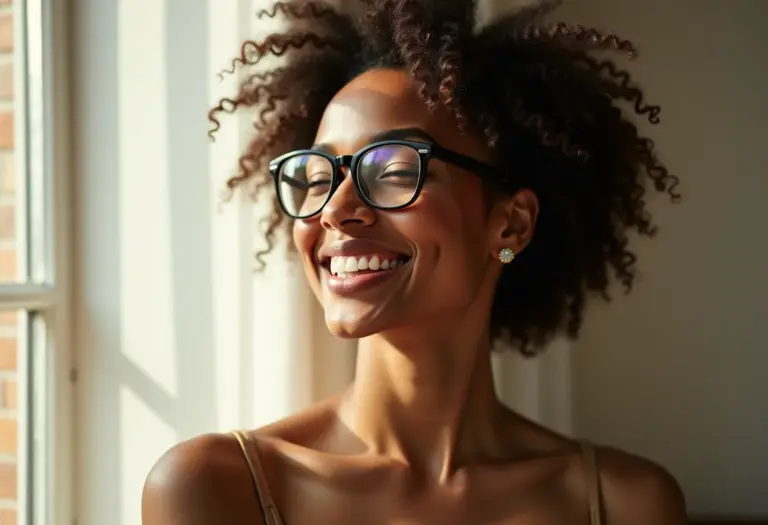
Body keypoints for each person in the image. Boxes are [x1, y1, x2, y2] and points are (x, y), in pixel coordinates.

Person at [142, 1, 686, 523]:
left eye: (396, 170)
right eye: (315, 177)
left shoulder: (623, 504)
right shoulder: (214, 488)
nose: (335, 208)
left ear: (511, 226)